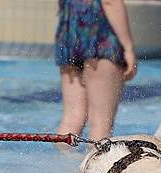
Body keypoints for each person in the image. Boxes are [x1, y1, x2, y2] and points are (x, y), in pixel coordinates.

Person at [55, 0, 137, 142]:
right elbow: (110, 2)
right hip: (100, 35)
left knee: (71, 119)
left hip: (70, 34)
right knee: (101, 124)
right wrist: (128, 47)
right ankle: (97, 163)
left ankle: (62, 161)